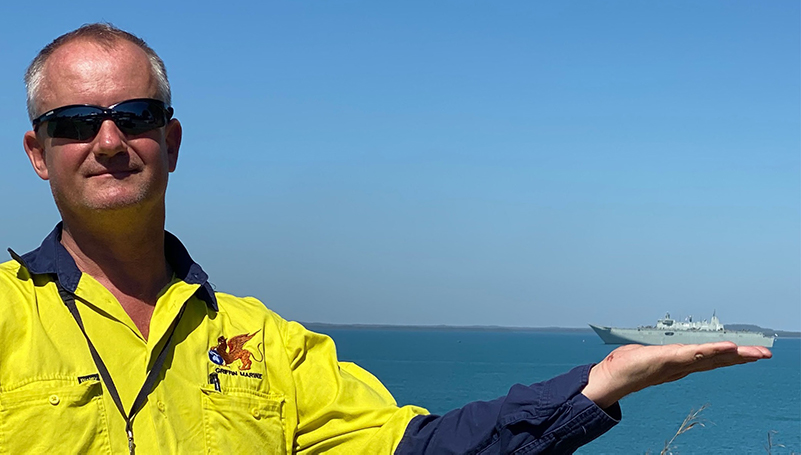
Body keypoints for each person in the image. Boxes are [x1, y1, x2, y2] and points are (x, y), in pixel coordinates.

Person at [1, 23, 771, 454]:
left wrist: (598, 383)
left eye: (132, 116)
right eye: (73, 123)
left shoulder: (264, 343)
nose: (107, 140)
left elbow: (419, 449)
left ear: (169, 141)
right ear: (38, 154)